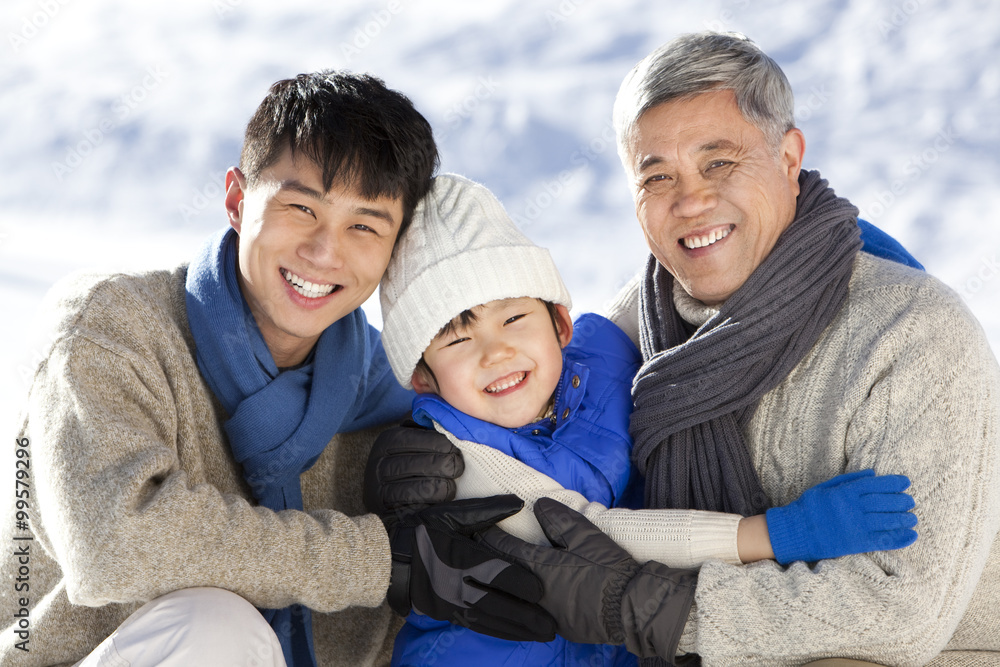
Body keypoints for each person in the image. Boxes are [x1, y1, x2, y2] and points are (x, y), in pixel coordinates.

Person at [472, 32, 1000, 666]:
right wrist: (423, 449)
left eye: (718, 162)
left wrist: (650, 611)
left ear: (788, 157)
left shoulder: (911, 334)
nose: (691, 201)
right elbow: (509, 411)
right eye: (658, 175)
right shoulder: (634, 333)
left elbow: (892, 613)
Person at [0, 71, 554, 667]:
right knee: (214, 628)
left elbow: (556, 439)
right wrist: (382, 561)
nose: (324, 252)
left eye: (364, 225)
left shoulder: (401, 386)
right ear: (239, 201)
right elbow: (116, 544)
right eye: (300, 207)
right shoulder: (112, 329)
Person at [369, 173, 919, 667]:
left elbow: (665, 283)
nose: (496, 351)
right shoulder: (455, 456)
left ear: (559, 323)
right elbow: (600, 536)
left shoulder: (602, 357)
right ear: (423, 376)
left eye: (514, 317)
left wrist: (829, 243)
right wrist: (774, 534)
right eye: (459, 340)